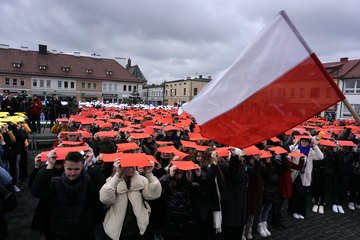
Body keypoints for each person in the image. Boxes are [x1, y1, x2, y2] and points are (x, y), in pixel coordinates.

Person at [31, 150, 105, 240]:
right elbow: (37, 192)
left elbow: (101, 189)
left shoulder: (87, 181)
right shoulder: (54, 182)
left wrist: (91, 164)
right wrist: (49, 166)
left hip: (84, 231)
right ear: (64, 166)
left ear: (82, 167)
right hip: (59, 232)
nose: (73, 173)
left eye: (76, 169)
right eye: (69, 169)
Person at [100, 159, 162, 240]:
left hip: (138, 229)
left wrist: (149, 174)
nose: (132, 168)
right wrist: (118, 175)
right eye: (129, 166)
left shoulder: (141, 180)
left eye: (133, 165)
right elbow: (105, 199)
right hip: (117, 230)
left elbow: (154, 194)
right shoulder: (111, 182)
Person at [289, 136, 323, 219]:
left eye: (306, 141)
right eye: (302, 141)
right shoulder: (295, 148)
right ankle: (293, 211)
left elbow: (320, 157)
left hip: (305, 176)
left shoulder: (311, 151)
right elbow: (288, 154)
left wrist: (315, 146)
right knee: (295, 194)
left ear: (309, 142)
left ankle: (301, 211)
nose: (304, 143)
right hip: (296, 175)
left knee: (303, 195)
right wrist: (295, 144)